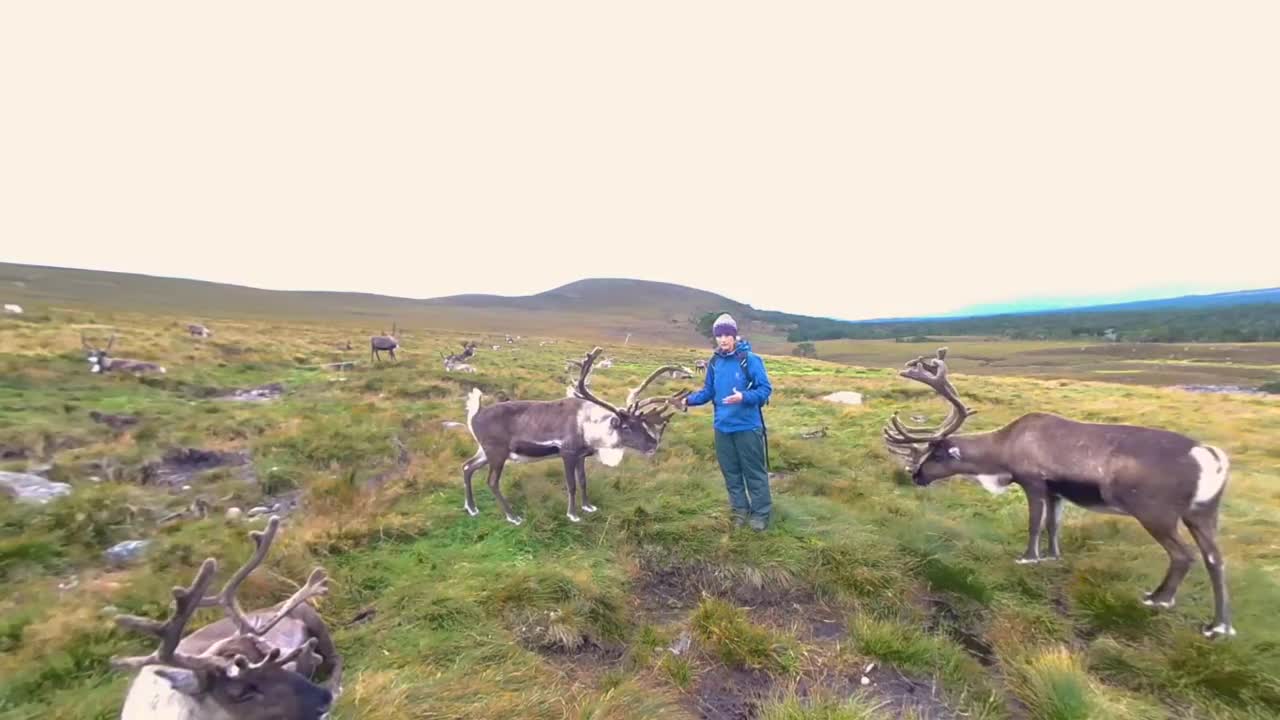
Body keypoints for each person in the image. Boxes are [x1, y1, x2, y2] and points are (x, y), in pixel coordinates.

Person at [683, 313, 774, 531]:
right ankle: (739, 511)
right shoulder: (714, 362)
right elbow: (708, 392)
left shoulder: (749, 360)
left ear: (734, 336)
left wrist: (744, 396)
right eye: (719, 335)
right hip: (722, 428)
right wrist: (687, 400)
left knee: (754, 472)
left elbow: (765, 390)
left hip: (747, 427)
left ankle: (760, 514)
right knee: (731, 473)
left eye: (727, 335)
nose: (723, 339)